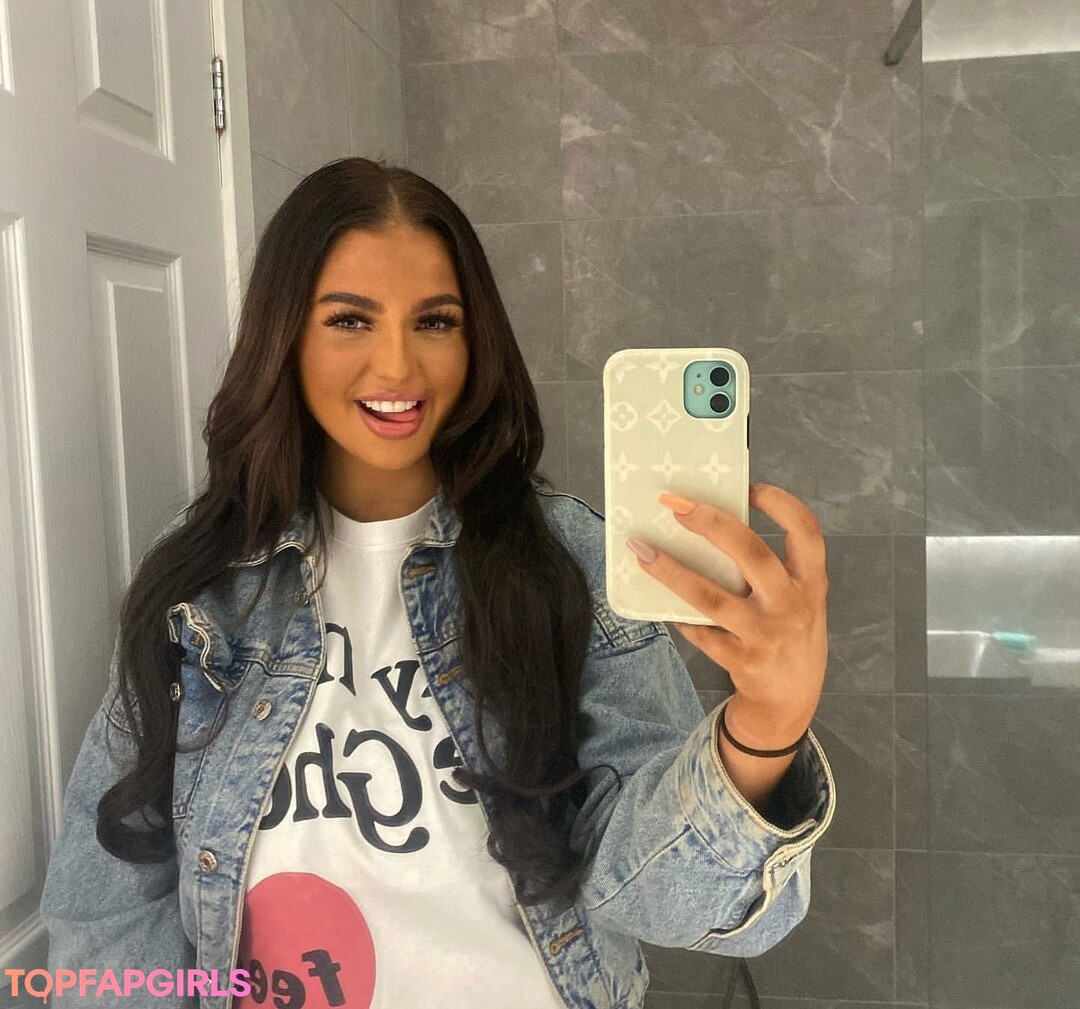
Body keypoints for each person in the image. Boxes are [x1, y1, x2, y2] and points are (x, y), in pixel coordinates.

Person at [40, 157, 836, 1009]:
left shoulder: (568, 561)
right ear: (286, 336)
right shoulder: (203, 590)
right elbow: (107, 909)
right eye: (350, 319)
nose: (397, 366)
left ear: (474, 338)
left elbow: (664, 899)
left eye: (435, 320)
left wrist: (766, 729)